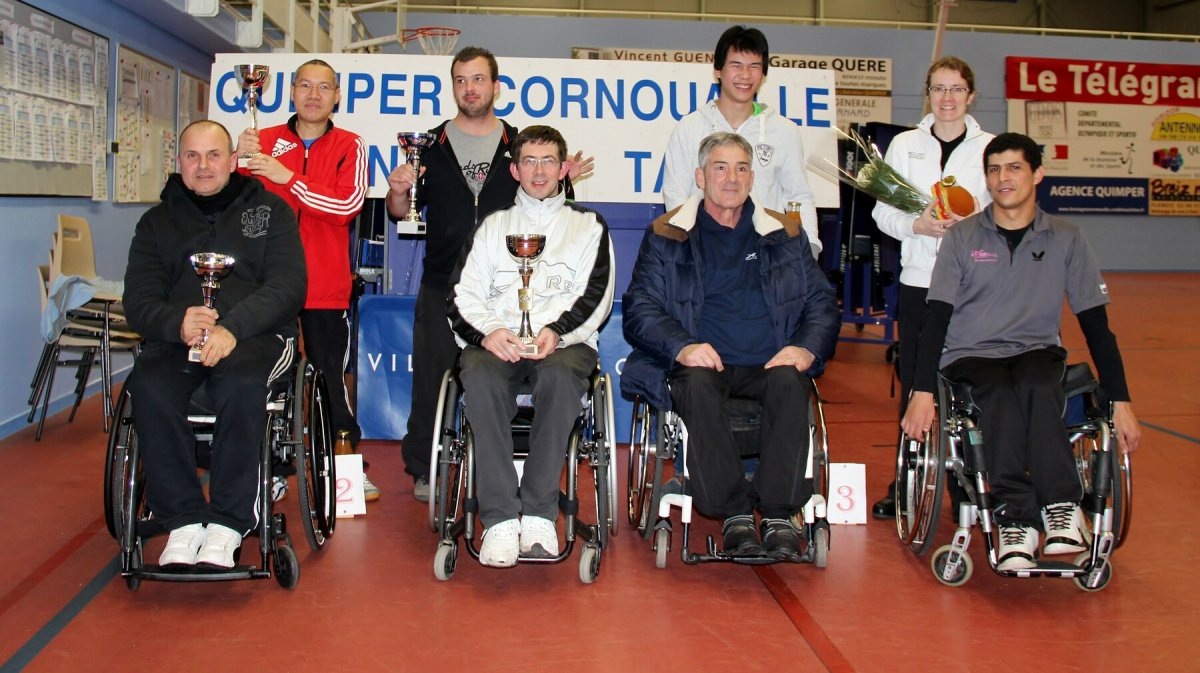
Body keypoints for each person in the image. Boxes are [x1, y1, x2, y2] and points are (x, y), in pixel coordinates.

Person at [901, 132, 1141, 571]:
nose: (1003, 178)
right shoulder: (962, 237)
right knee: (996, 393)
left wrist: (1121, 400)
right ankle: (1017, 519)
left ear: (1037, 174)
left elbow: (1096, 326)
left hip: (1035, 350)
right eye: (994, 169)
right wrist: (921, 392)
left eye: (1014, 167)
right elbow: (935, 319)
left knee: (1036, 382)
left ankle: (1062, 508)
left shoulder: (1067, 237)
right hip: (971, 355)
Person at [386, 47, 591, 502]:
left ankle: (514, 470)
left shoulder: (519, 145)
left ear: (496, 87)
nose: (469, 88)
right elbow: (401, 212)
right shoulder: (429, 145)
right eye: (460, 80)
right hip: (442, 283)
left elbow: (545, 208)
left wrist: (563, 181)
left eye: (478, 79)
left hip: (505, 292)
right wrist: (398, 191)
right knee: (431, 381)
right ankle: (424, 467)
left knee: (495, 377)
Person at [622, 132, 839, 560]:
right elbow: (640, 308)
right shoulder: (666, 234)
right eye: (720, 168)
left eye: (741, 169)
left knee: (792, 383)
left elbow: (822, 304)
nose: (731, 178)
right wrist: (683, 347)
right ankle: (735, 513)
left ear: (752, 178)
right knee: (697, 386)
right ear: (700, 177)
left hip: (771, 360)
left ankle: (778, 514)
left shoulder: (785, 233)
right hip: (703, 362)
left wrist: (805, 349)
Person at [122, 120, 306, 569]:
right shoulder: (155, 223)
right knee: (148, 386)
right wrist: (177, 322)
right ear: (179, 161)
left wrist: (233, 327)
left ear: (233, 159)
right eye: (192, 155)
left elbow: (288, 287)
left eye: (214, 155)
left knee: (241, 384)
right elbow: (138, 300)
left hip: (256, 336)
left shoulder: (271, 211)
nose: (203, 165)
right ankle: (182, 520)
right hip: (179, 340)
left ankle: (228, 521)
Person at [446, 125, 614, 567]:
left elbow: (597, 295)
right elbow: (461, 295)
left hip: (564, 344)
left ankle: (539, 514)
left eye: (548, 161)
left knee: (560, 377)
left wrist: (558, 331)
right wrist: (487, 332)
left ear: (563, 168)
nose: (539, 171)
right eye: (529, 162)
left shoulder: (588, 225)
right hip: (499, 341)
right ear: (515, 171)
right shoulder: (492, 226)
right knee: (478, 376)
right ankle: (500, 519)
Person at [235, 59, 377, 501]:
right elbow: (235, 205)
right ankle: (271, 467)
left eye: (324, 87)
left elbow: (346, 206)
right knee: (262, 378)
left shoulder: (350, 145)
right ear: (291, 92)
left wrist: (289, 179)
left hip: (324, 288)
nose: (314, 95)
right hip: (265, 288)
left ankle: (345, 466)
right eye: (305, 86)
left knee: (329, 379)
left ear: (337, 96)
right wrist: (238, 162)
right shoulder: (263, 141)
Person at [870, 56, 994, 520]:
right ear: (927, 94)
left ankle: (967, 485)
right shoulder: (904, 145)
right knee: (916, 386)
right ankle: (906, 483)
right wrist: (917, 225)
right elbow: (882, 213)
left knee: (971, 385)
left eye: (956, 89)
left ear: (971, 96)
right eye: (938, 89)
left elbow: (1005, 212)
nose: (947, 98)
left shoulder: (991, 148)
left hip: (974, 285)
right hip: (919, 283)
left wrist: (974, 223)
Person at [662, 25, 821, 259]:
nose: (745, 75)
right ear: (718, 70)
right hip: (705, 255)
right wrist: (686, 250)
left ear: (764, 74)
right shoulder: (690, 127)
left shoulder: (784, 131)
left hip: (767, 255)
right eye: (736, 65)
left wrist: (810, 250)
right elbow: (676, 195)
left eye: (754, 66)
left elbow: (798, 196)